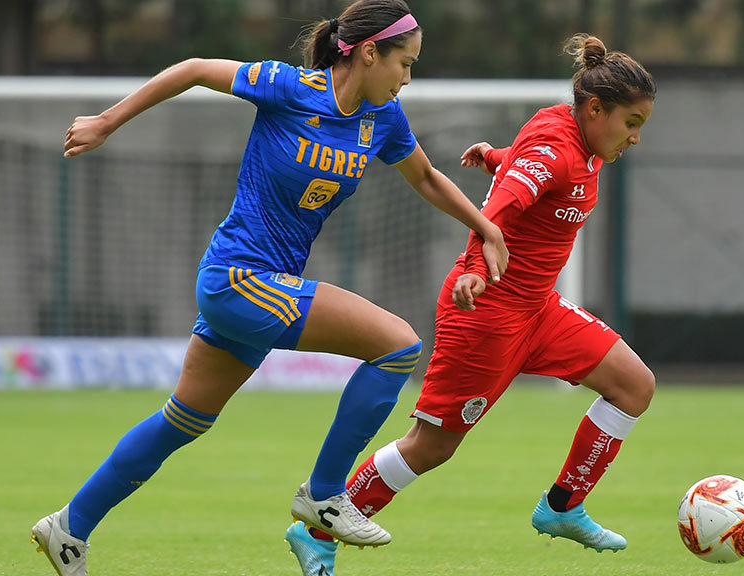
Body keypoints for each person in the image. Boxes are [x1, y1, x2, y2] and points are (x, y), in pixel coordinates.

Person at [30, 1, 510, 574]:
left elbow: (427, 177)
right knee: (399, 345)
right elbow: (190, 69)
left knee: (182, 422)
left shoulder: (383, 119)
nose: (408, 78)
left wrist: (484, 227)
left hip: (260, 287)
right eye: (404, 63)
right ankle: (326, 493)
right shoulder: (289, 87)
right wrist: (107, 121)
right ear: (367, 52)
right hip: (240, 277)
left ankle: (69, 527)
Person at [284, 34, 656, 576]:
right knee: (432, 446)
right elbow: (498, 216)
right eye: (632, 123)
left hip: (539, 311)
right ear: (596, 109)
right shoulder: (556, 151)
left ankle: (562, 506)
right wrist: (478, 270)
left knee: (634, 386)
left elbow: (526, 173)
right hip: (485, 314)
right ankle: (316, 531)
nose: (636, 138)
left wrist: (497, 156)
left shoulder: (578, 137)